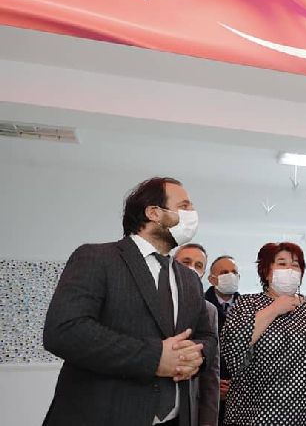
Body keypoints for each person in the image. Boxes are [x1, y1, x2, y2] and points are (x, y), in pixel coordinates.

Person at [43, 176, 215, 426]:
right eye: (184, 206)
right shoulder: (97, 258)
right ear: (154, 213)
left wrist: (196, 356)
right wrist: (155, 357)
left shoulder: (189, 279)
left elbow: (206, 337)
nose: (192, 214)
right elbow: (64, 331)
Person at [220, 242, 306, 425]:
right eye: (282, 264)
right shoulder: (247, 303)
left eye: (295, 265)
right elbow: (233, 348)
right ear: (267, 271)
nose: (290, 270)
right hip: (256, 413)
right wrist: (274, 308)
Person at [175, 243, 222, 426]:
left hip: (188, 407)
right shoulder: (152, 299)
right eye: (186, 262)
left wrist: (208, 421)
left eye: (198, 265)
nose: (191, 268)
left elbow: (211, 373)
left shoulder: (209, 310)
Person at [204, 255, 240, 423]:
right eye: (224, 272)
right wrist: (213, 384)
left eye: (234, 272)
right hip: (207, 389)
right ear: (212, 279)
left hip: (241, 392)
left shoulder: (251, 309)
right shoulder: (199, 305)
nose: (230, 276)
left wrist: (238, 383)